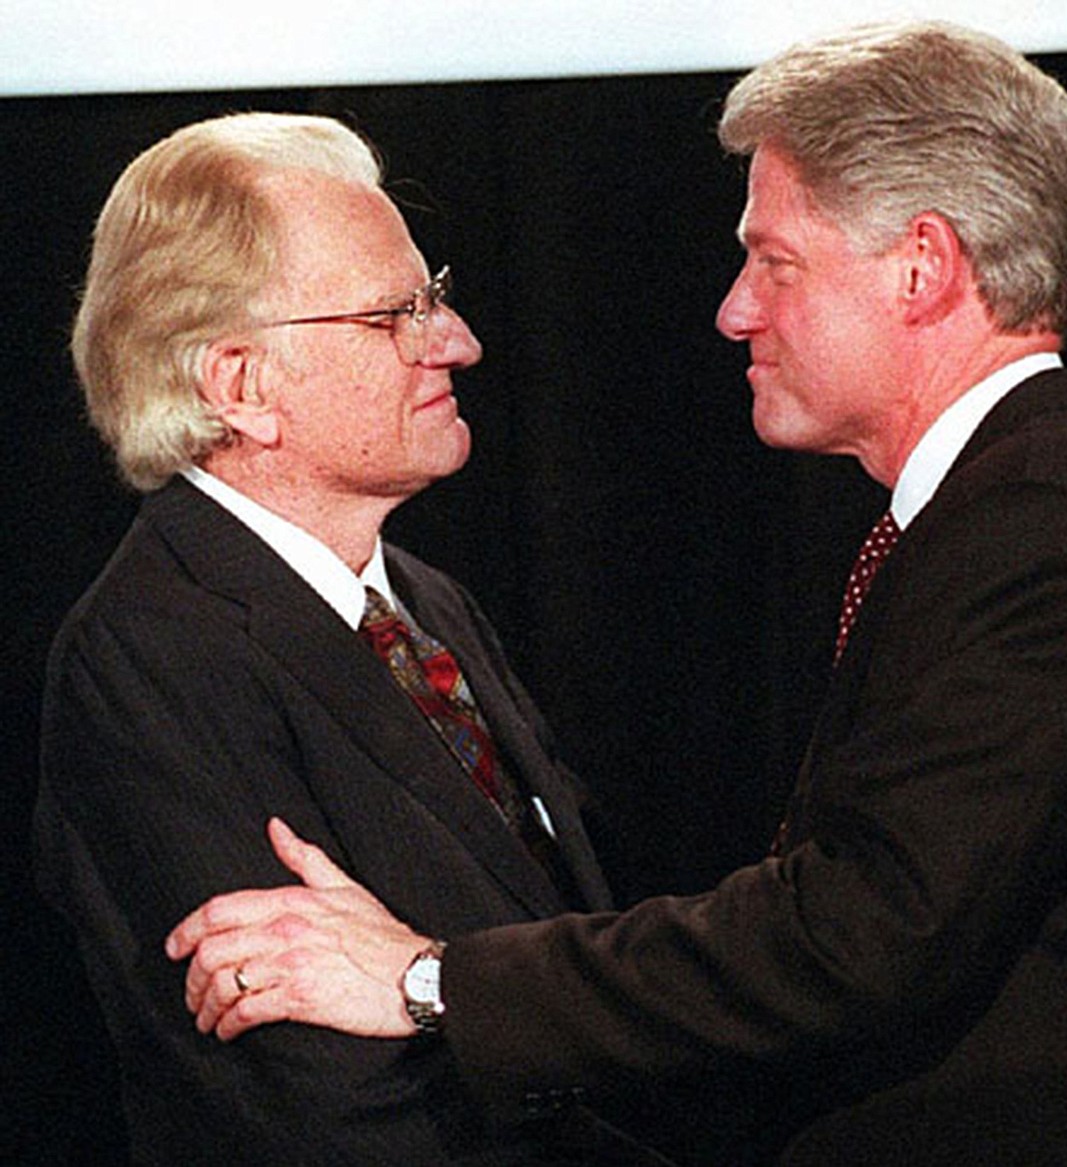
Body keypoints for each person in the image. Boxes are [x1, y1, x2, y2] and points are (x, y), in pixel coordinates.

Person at [165, 23, 1067, 1167]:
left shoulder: (1045, 531)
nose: (735, 311)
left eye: (774, 262)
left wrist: (425, 980)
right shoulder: (1012, 510)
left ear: (923, 266)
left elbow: (856, 937)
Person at [34, 112, 663, 1166]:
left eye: (439, 295)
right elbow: (324, 1100)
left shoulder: (425, 602)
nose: (455, 340)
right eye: (394, 315)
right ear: (239, 386)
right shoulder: (153, 655)